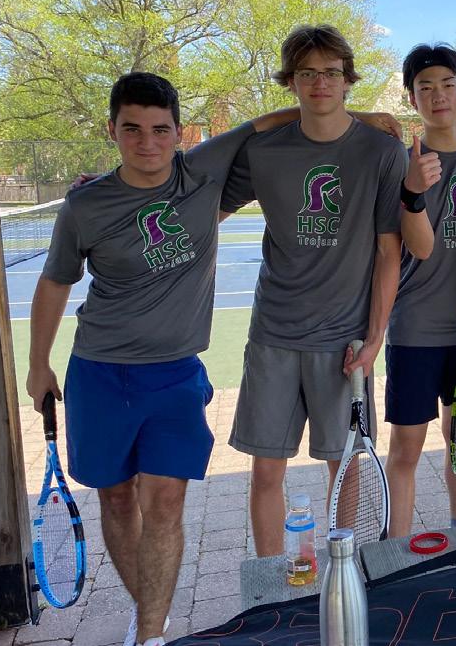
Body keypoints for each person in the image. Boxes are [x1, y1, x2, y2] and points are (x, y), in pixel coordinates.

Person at [26, 72, 294, 646]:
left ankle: (150, 634)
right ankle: (150, 610)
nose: (147, 142)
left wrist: (372, 120)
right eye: (132, 130)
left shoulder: (202, 170)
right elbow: (54, 281)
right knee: (117, 499)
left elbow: (278, 119)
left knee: (166, 503)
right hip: (98, 372)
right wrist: (37, 363)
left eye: (159, 130)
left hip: (174, 376)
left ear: (178, 131)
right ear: (112, 130)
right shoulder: (85, 205)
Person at [221, 24, 406, 558]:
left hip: (344, 340)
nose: (319, 83)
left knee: (343, 468)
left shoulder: (382, 151)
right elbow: (204, 204)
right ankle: (271, 584)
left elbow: (389, 251)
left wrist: (375, 339)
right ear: (291, 81)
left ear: (347, 79)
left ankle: (342, 569)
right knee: (265, 472)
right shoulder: (264, 151)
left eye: (330, 72)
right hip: (274, 333)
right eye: (306, 73)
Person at [384, 43, 456, 536]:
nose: (438, 95)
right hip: (413, 329)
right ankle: (397, 552)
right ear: (412, 99)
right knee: (406, 448)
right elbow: (421, 247)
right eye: (425, 87)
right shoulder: (400, 164)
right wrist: (412, 191)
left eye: (447, 84)